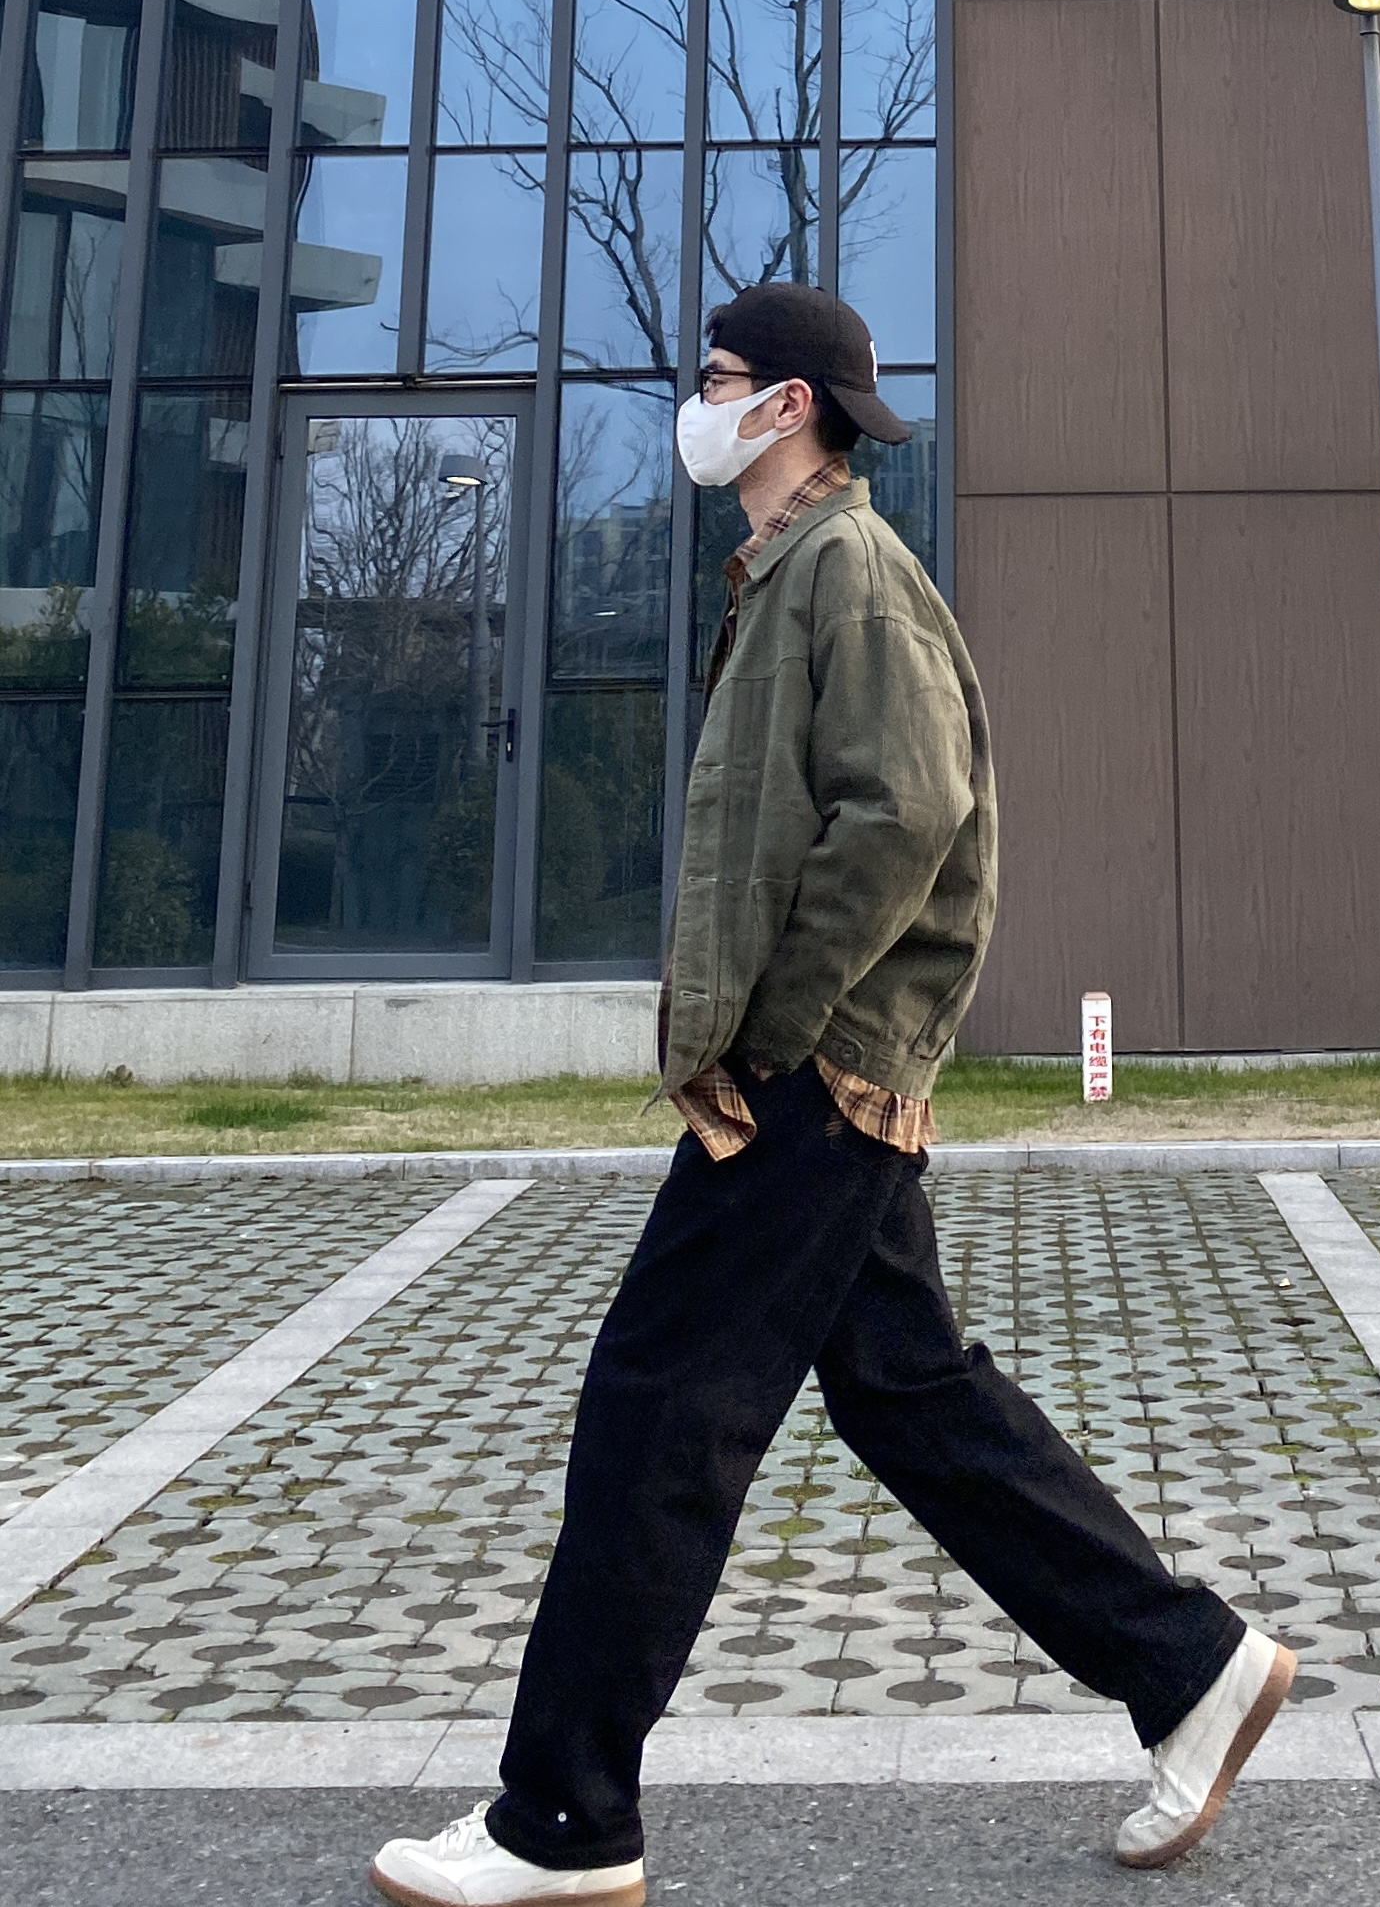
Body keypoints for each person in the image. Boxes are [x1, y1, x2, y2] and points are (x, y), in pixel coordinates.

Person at [369, 284, 1294, 1907]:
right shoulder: (794, 570)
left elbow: (910, 809)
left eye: (715, 377)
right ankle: (1188, 1664)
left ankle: (562, 1821)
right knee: (909, 1392)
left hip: (811, 1075)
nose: (697, 402)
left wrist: (778, 1032)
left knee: (659, 1407)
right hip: (821, 1068)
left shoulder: (848, 571)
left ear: (785, 403)